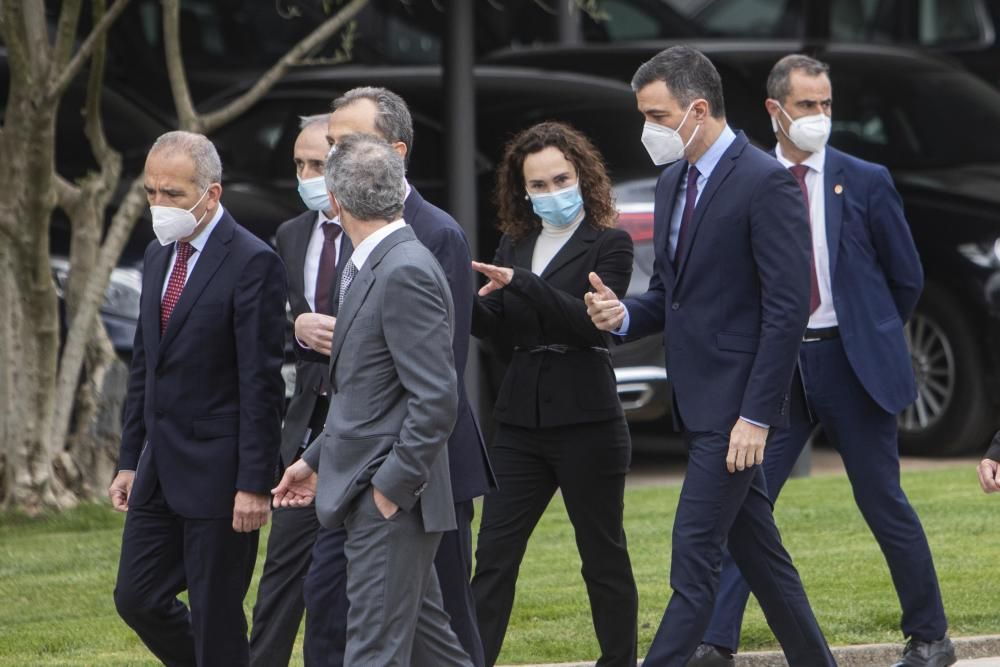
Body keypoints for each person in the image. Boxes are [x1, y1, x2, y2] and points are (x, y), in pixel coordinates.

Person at [692, 54, 954, 667]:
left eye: (826, 104)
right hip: (778, 370)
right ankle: (716, 642)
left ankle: (931, 636)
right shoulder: (749, 178)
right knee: (745, 503)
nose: (819, 116)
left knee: (882, 500)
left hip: (850, 363)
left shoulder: (864, 179)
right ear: (774, 109)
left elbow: (905, 277)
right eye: (807, 105)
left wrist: (870, 329)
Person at [585, 46, 836, 666]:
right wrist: (623, 316)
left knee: (693, 555)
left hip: (734, 414)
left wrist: (756, 416)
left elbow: (786, 311)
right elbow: (671, 295)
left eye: (657, 115)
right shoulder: (674, 181)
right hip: (696, 400)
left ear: (698, 108)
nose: (648, 130)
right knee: (761, 558)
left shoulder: (765, 182)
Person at [297, 86, 495, 667]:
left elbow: (436, 392)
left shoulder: (414, 255)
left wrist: (390, 488)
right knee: (431, 642)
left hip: (396, 487)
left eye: (344, 145)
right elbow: (362, 384)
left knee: (377, 648)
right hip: (363, 480)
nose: (331, 155)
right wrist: (313, 462)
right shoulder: (367, 254)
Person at [109, 131, 287, 666]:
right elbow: (146, 364)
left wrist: (254, 484)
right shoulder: (159, 256)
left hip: (221, 471)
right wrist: (127, 458)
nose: (159, 206)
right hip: (159, 466)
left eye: (174, 195)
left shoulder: (252, 262)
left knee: (215, 612)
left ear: (212, 195)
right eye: (151, 193)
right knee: (136, 597)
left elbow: (262, 382)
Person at [469, 121, 638, 667]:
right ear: (522, 190)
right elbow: (497, 327)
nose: (550, 192)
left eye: (560, 179)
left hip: (587, 420)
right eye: (537, 184)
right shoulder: (516, 243)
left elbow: (590, 327)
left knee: (602, 556)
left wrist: (525, 284)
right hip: (520, 423)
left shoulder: (609, 243)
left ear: (582, 177)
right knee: (494, 555)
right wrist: (459, 295)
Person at [249, 114, 352, 667]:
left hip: (366, 423)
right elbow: (277, 315)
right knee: (282, 573)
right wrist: (296, 325)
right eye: (299, 164)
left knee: (344, 586)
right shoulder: (292, 234)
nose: (306, 175)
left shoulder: (382, 228)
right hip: (309, 420)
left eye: (317, 163)